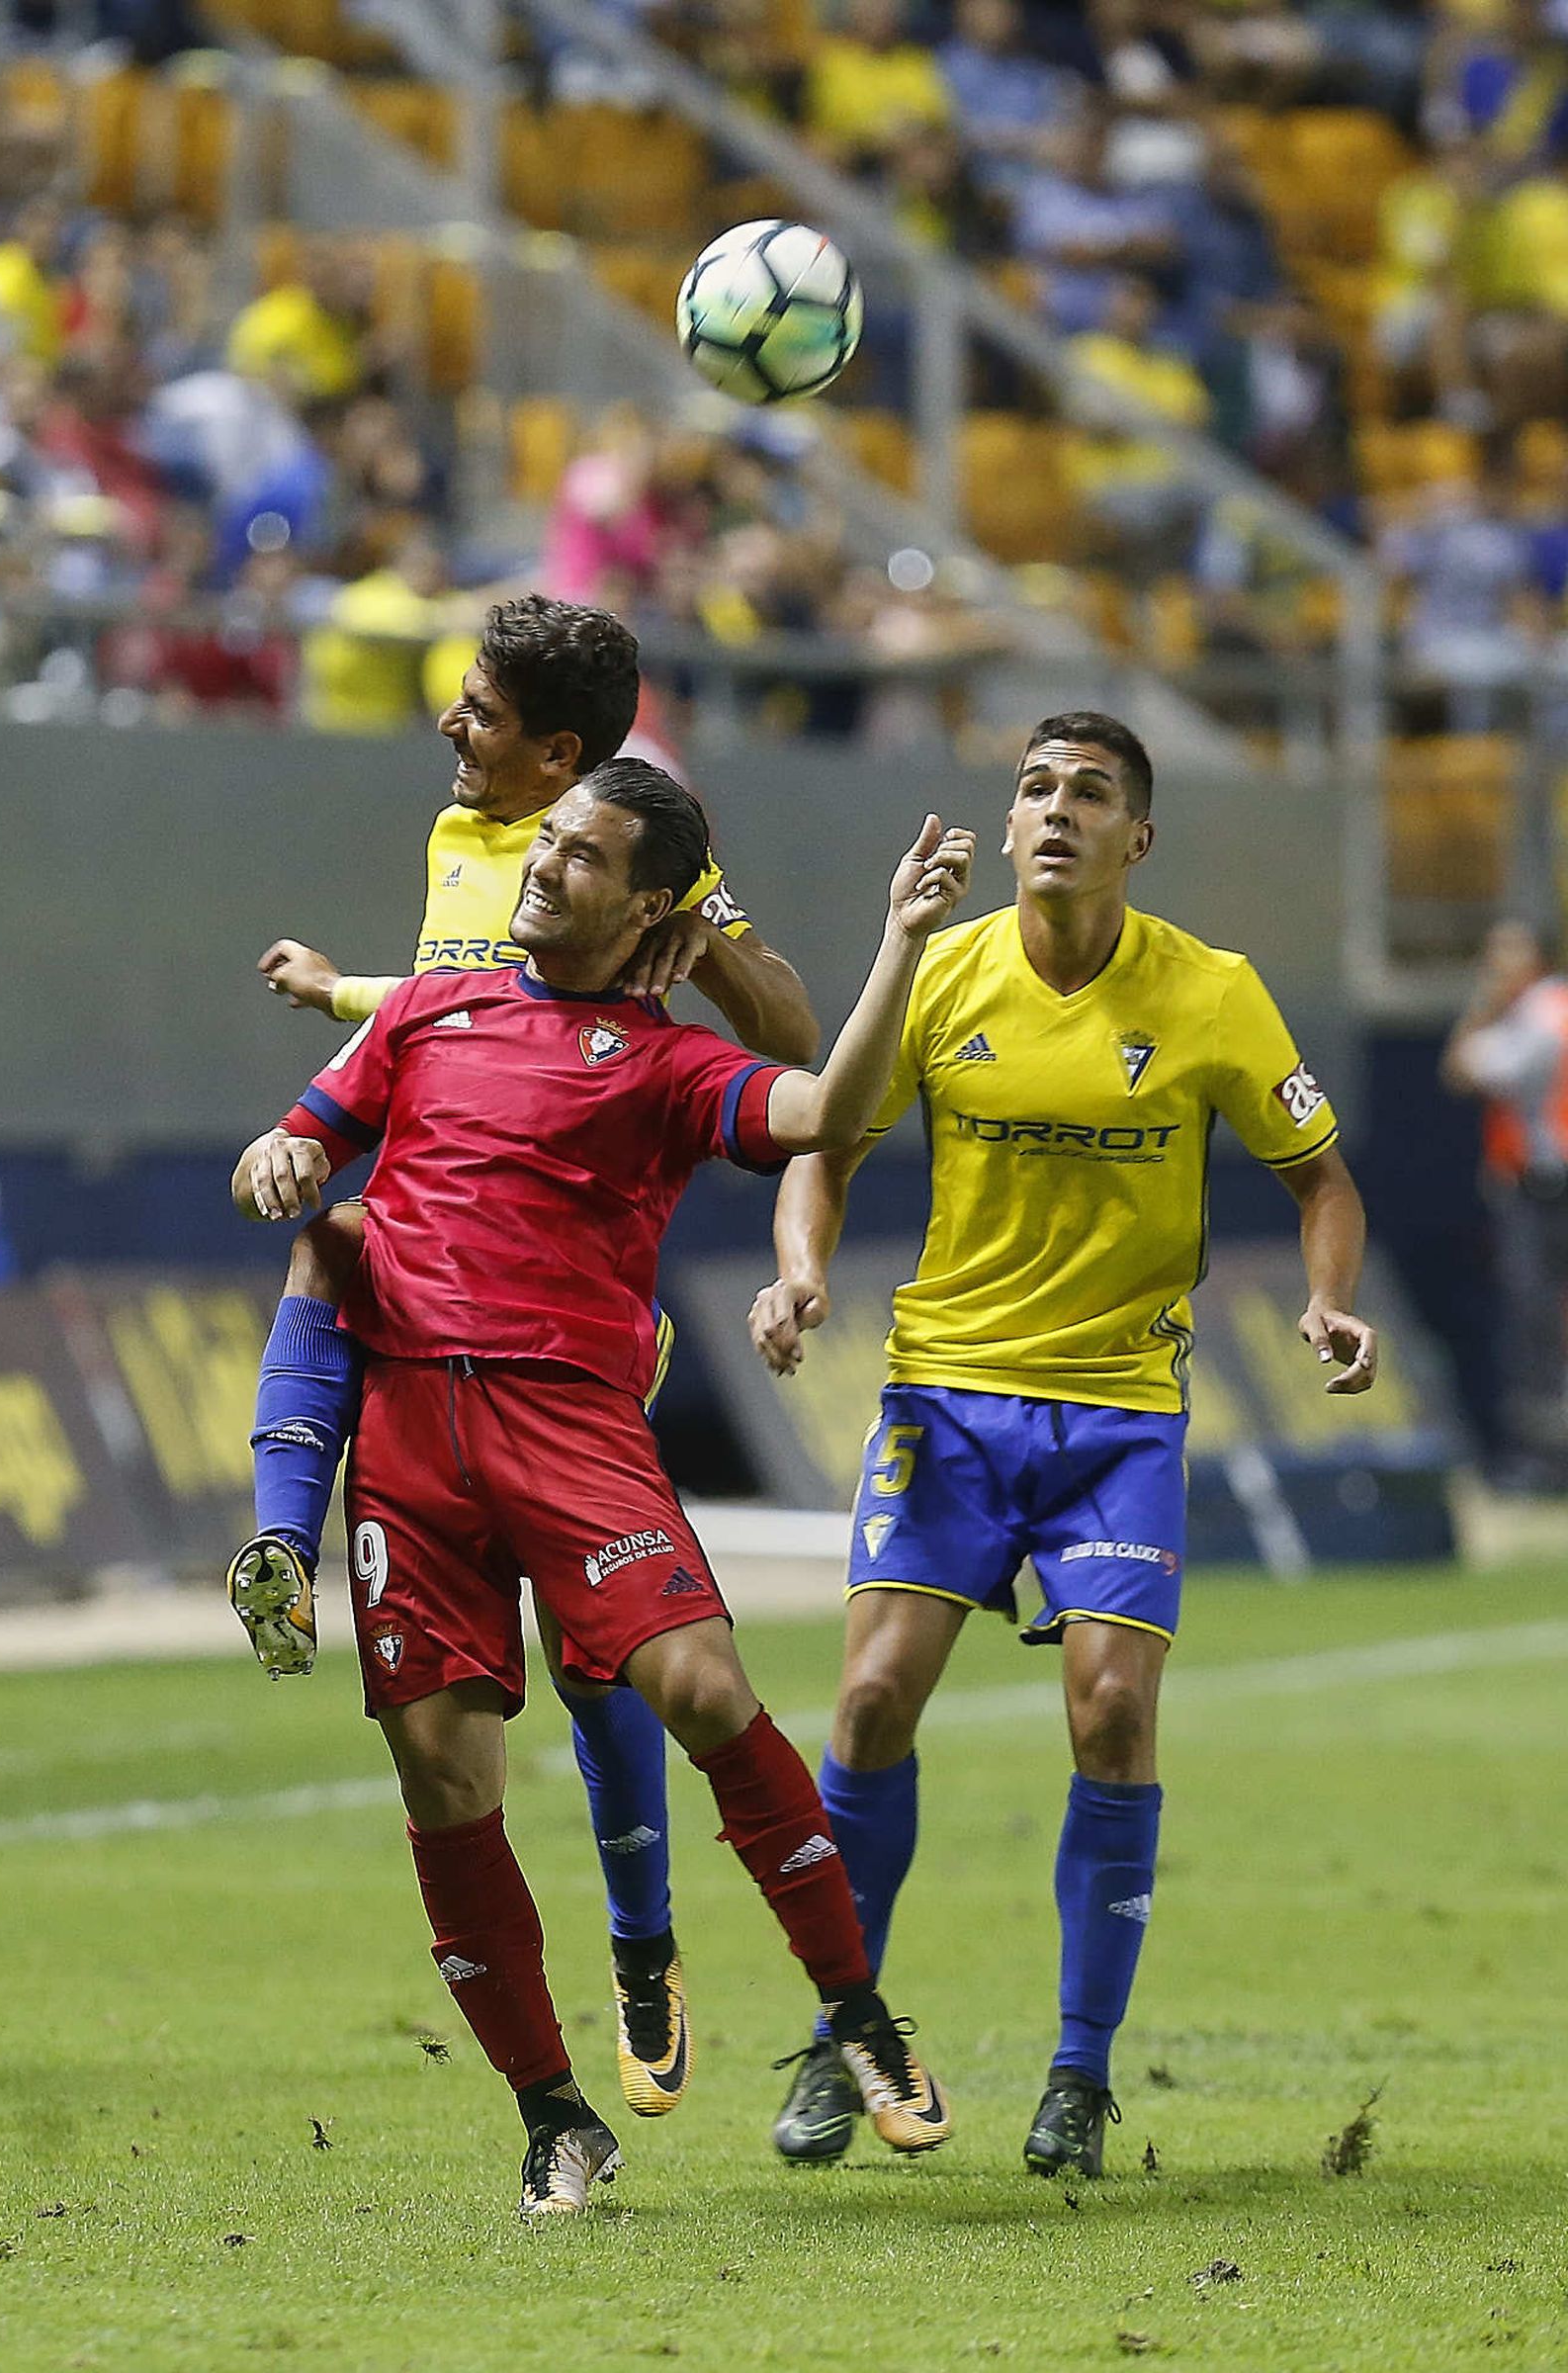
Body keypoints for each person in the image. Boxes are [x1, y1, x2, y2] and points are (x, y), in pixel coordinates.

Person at [230, 760, 972, 2214]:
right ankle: (556, 2119)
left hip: (568, 1426)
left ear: (651, 907)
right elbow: (315, 1126)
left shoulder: (671, 1064)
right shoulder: (431, 1010)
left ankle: (858, 2013)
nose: (545, 865)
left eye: (582, 856)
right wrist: (282, 1149)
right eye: (548, 841)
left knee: (698, 1689)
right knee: (445, 1781)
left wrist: (901, 942)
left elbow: (825, 1107)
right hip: (407, 1441)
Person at [748, 711, 1379, 2178]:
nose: (1053, 810)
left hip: (1117, 1412)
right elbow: (822, 1149)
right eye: (1034, 786)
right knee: (870, 1705)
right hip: (944, 1396)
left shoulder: (1212, 994)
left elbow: (1323, 1179)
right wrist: (798, 1273)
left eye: (1089, 792)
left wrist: (1333, 1305)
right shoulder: (942, 971)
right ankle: (851, 2037)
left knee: (1110, 1718)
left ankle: (1079, 2078)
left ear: (1135, 839)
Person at [226, 592, 818, 2129]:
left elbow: (790, 1038)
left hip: (568, 1321)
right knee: (335, 1238)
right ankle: (283, 1542)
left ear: (563, 756)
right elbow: (459, 1011)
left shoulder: (630, 852)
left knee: (606, 1657)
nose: (451, 730)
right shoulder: (462, 839)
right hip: (442, 1291)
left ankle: (643, 1946)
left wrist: (712, 946)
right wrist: (346, 997)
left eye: (479, 714)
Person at [1440, 916, 1568, 1486]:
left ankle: (1541, 1462)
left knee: (1534, 1322)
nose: (1496, 966)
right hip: (1539, 1188)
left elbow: (1462, 1068)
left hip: (1546, 1193)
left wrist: (1485, 1004)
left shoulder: (1542, 1016)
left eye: (1506, 954)